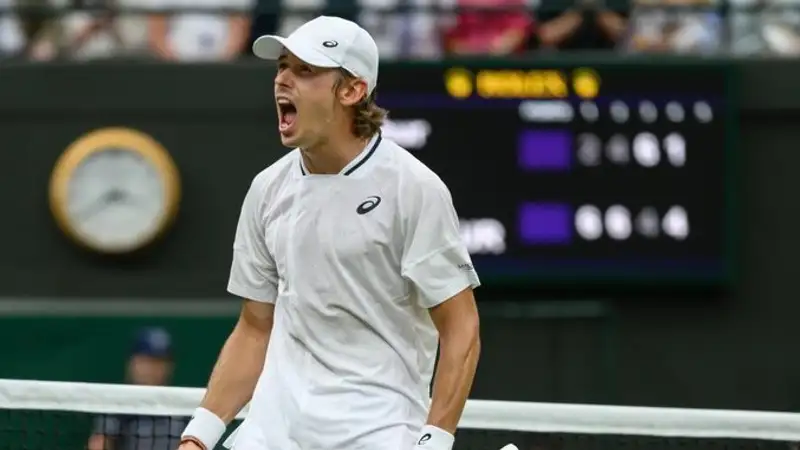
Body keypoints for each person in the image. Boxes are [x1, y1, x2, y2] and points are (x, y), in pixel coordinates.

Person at [177, 15, 482, 450]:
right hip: (271, 435)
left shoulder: (414, 188)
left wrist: (435, 440)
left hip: (377, 434)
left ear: (352, 90)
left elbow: (461, 327)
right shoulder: (267, 189)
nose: (282, 80)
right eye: (282, 66)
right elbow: (255, 327)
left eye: (305, 70)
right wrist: (199, 436)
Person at [88, 327, 187, 450]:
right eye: (148, 361)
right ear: (134, 363)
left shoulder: (183, 409)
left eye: (161, 362)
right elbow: (98, 444)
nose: (154, 369)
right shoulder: (118, 407)